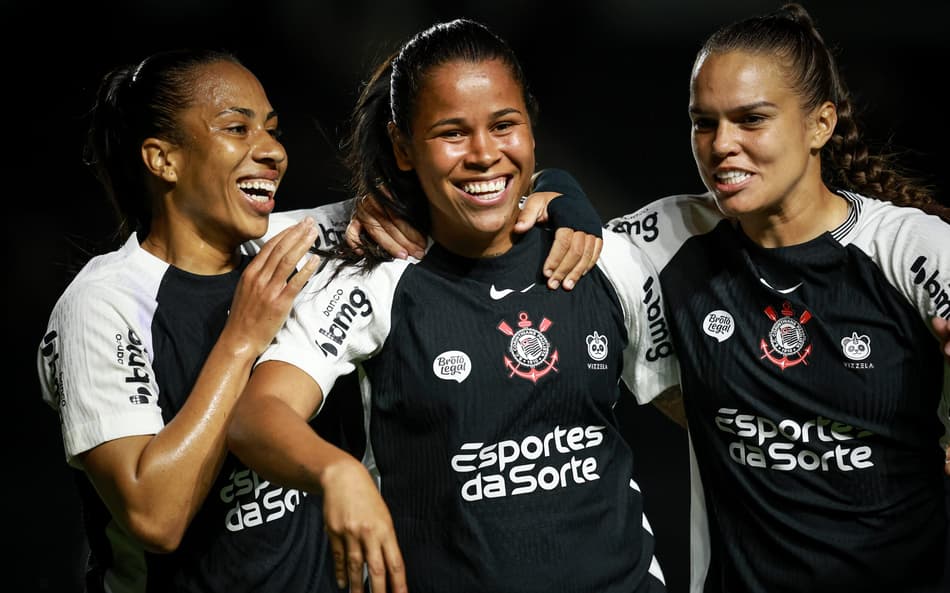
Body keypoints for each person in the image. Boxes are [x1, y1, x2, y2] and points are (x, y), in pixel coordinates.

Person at [228, 18, 679, 593]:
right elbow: (255, 417)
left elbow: (705, 409)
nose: (484, 153)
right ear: (403, 148)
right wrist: (337, 474)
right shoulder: (377, 278)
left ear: (531, 129)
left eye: (504, 125)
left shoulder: (605, 258)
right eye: (452, 133)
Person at [598, 4, 950, 592]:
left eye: (750, 119)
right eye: (702, 122)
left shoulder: (908, 248)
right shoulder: (670, 241)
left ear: (820, 125)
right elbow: (547, 248)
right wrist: (556, 197)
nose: (720, 145)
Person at [35, 48, 356, 593]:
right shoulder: (101, 304)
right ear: (163, 159)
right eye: (238, 128)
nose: (273, 151)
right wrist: (241, 341)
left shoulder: (295, 245)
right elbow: (155, 517)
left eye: (272, 130)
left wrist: (557, 203)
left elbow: (467, 193)